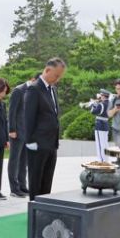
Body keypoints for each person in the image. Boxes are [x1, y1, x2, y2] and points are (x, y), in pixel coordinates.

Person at [25, 58, 67, 201]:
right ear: (48, 70)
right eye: (56, 75)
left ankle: (44, 209)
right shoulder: (34, 89)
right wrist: (29, 140)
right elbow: (28, 117)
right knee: (36, 179)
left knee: (47, 179)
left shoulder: (52, 90)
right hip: (37, 143)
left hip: (51, 143)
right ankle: (35, 209)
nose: (58, 79)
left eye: (60, 76)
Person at [8, 74, 38, 198]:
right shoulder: (18, 91)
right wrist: (12, 129)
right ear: (32, 79)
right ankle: (14, 189)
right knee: (14, 160)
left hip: (28, 133)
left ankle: (22, 186)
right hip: (17, 131)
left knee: (24, 161)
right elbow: (12, 111)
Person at [88, 90, 110, 161]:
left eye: (101, 96)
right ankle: (106, 159)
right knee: (105, 143)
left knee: (100, 144)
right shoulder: (110, 104)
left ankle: (101, 160)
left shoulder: (101, 104)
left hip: (100, 125)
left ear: (103, 96)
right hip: (106, 125)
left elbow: (93, 111)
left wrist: (92, 104)